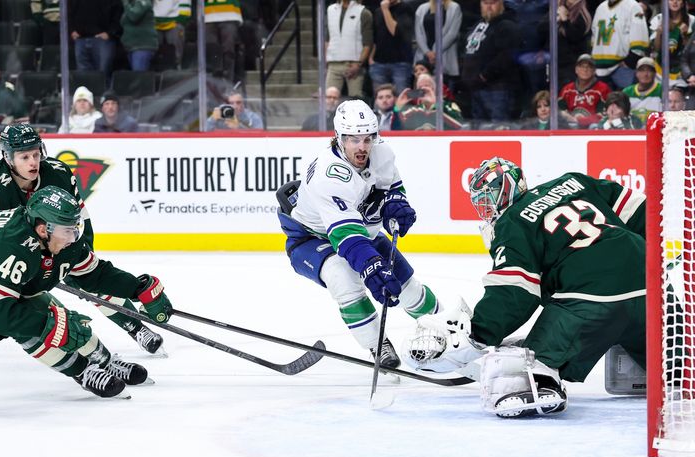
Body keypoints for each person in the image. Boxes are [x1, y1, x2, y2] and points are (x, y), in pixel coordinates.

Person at [408, 157, 646, 417]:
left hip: (591, 300)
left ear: (506, 188)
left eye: (488, 199)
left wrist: (479, 334)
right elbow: (642, 210)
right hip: (650, 288)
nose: (486, 209)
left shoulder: (512, 223)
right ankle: (675, 367)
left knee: (526, 367)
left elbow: (514, 292)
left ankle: (540, 383)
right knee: (678, 363)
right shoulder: (573, 181)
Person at [0, 186, 173, 398]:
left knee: (57, 315)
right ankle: (83, 371)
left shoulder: (60, 237)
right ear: (44, 230)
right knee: (28, 326)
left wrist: (137, 288)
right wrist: (51, 327)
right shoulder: (9, 247)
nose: (74, 237)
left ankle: (105, 362)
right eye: (68, 231)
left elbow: (95, 274)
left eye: (76, 228)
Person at [0, 123, 167, 356]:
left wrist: (78, 253)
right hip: (19, 256)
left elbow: (80, 216)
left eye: (36, 154)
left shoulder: (57, 173)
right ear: (8, 158)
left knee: (91, 280)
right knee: (42, 306)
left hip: (60, 240)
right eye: (25, 156)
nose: (33, 162)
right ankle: (85, 351)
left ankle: (134, 326)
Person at [277, 99, 443, 369]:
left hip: (363, 230)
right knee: (344, 280)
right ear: (339, 138)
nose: (362, 147)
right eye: (353, 139)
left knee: (408, 288)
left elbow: (393, 192)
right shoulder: (329, 176)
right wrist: (371, 267)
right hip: (312, 239)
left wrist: (395, 207)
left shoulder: (383, 153)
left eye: (368, 138)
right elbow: (348, 237)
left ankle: (445, 329)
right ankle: (378, 346)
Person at [459, 0, 521, 126]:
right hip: (475, 88)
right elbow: (465, 50)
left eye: (492, 2)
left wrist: (484, 76)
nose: (488, 6)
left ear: (501, 4)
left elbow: (506, 56)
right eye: (485, 3)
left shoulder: (507, 25)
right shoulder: (477, 25)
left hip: (498, 90)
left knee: (499, 128)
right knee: (479, 130)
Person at [591, 0, 649, 90]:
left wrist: (630, 62)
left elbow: (640, 37)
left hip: (622, 69)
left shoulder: (633, 6)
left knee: (625, 102)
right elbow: (594, 36)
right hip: (599, 70)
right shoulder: (600, 8)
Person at [325, 0, 373, 99]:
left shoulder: (363, 12)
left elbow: (368, 43)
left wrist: (359, 64)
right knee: (329, 100)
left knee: (356, 101)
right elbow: (327, 38)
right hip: (333, 63)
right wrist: (327, 60)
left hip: (354, 64)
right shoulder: (330, 10)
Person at [368, 0, 415, 94]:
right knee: (380, 99)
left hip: (400, 63)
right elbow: (375, 36)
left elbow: (395, 31)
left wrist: (385, 10)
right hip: (378, 64)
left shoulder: (406, 8)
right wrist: (371, 58)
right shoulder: (378, 11)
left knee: (402, 98)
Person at [413, 0, 462, 90]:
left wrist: (435, 51)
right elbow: (418, 33)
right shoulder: (422, 8)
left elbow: (452, 34)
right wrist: (427, 52)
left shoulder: (454, 7)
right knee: (422, 94)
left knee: (444, 94)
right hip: (424, 57)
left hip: (444, 56)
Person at [69, 0, 123, 81]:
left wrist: (110, 33)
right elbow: (69, 11)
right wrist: (72, 30)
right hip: (81, 39)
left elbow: (118, 13)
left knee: (103, 74)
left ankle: (104, 93)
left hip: (103, 40)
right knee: (83, 77)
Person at [393, 72, 463, 130]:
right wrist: (397, 107)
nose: (423, 89)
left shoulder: (448, 105)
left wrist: (436, 105)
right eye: (420, 87)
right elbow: (395, 130)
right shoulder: (413, 110)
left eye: (427, 86)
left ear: (434, 89)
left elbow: (460, 127)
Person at [558, 53, 611, 129]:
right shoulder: (567, 89)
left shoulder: (603, 89)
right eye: (582, 66)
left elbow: (603, 115)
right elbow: (559, 112)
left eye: (589, 67)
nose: (585, 70)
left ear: (594, 71)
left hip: (593, 130)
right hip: (570, 129)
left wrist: (578, 121)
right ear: (576, 70)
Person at [648, 0, 693, 81]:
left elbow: (691, 51)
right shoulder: (658, 19)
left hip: (683, 68)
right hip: (660, 68)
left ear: (683, 3)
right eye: (671, 0)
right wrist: (659, 33)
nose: (675, 2)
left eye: (678, 0)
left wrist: (685, 36)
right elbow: (656, 49)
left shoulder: (692, 20)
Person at [622, 56, 662, 125]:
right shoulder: (627, 92)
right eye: (642, 70)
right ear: (636, 73)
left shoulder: (662, 90)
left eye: (649, 70)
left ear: (654, 73)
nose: (645, 74)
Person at [121, 0, 158, 72]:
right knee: (136, 77)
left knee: (139, 77)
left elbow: (134, 16)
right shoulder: (131, 4)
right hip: (131, 47)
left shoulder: (144, 1)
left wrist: (125, 2)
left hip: (142, 46)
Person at [153, 0, 190, 70]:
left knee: (176, 55)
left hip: (174, 21)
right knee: (155, 54)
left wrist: (181, 20)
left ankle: (177, 71)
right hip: (155, 21)